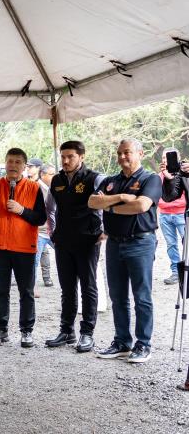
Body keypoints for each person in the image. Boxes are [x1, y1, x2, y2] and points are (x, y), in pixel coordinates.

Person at [89, 138, 161, 363]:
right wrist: (119, 199)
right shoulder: (112, 181)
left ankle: (143, 344)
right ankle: (122, 342)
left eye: (127, 152)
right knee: (117, 296)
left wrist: (108, 205)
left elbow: (141, 206)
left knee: (142, 296)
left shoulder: (150, 179)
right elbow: (92, 202)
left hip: (140, 242)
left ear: (139, 153)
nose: (122, 157)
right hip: (114, 243)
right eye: (119, 153)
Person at [0, 148, 47, 348]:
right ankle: (1, 329)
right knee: (1, 290)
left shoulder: (34, 188)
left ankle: (27, 331)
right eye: (10, 161)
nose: (13, 165)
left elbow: (40, 218)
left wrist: (21, 210)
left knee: (26, 291)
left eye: (18, 162)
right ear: (5, 163)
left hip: (24, 246)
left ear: (24, 166)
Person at [44, 141, 104, 353]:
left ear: (82, 156)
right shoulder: (57, 180)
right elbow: (50, 208)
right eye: (63, 157)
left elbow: (107, 204)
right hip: (63, 242)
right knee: (67, 288)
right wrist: (53, 233)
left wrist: (104, 231)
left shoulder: (94, 178)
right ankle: (67, 330)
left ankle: (87, 333)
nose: (66, 161)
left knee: (88, 287)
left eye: (70, 156)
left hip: (88, 240)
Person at [158, 147, 186, 285]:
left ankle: (186, 271)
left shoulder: (184, 173)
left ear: (178, 158)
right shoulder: (159, 176)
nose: (166, 160)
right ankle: (175, 272)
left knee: (187, 243)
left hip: (181, 213)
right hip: (165, 215)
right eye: (163, 157)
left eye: (169, 157)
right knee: (171, 245)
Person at [33, 163, 56, 294]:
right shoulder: (35, 188)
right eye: (51, 174)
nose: (54, 176)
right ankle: (32, 288)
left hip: (52, 230)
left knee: (65, 254)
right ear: (43, 175)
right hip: (39, 231)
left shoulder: (53, 187)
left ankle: (48, 279)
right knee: (34, 261)